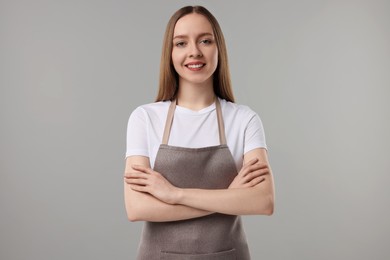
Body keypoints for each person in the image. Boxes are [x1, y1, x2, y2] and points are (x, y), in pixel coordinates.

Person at [123, 5, 274, 260]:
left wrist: (174, 194)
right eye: (181, 43)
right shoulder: (145, 118)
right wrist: (229, 198)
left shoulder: (244, 119)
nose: (194, 51)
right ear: (169, 53)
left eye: (205, 40)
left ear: (219, 49)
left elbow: (263, 202)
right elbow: (137, 208)